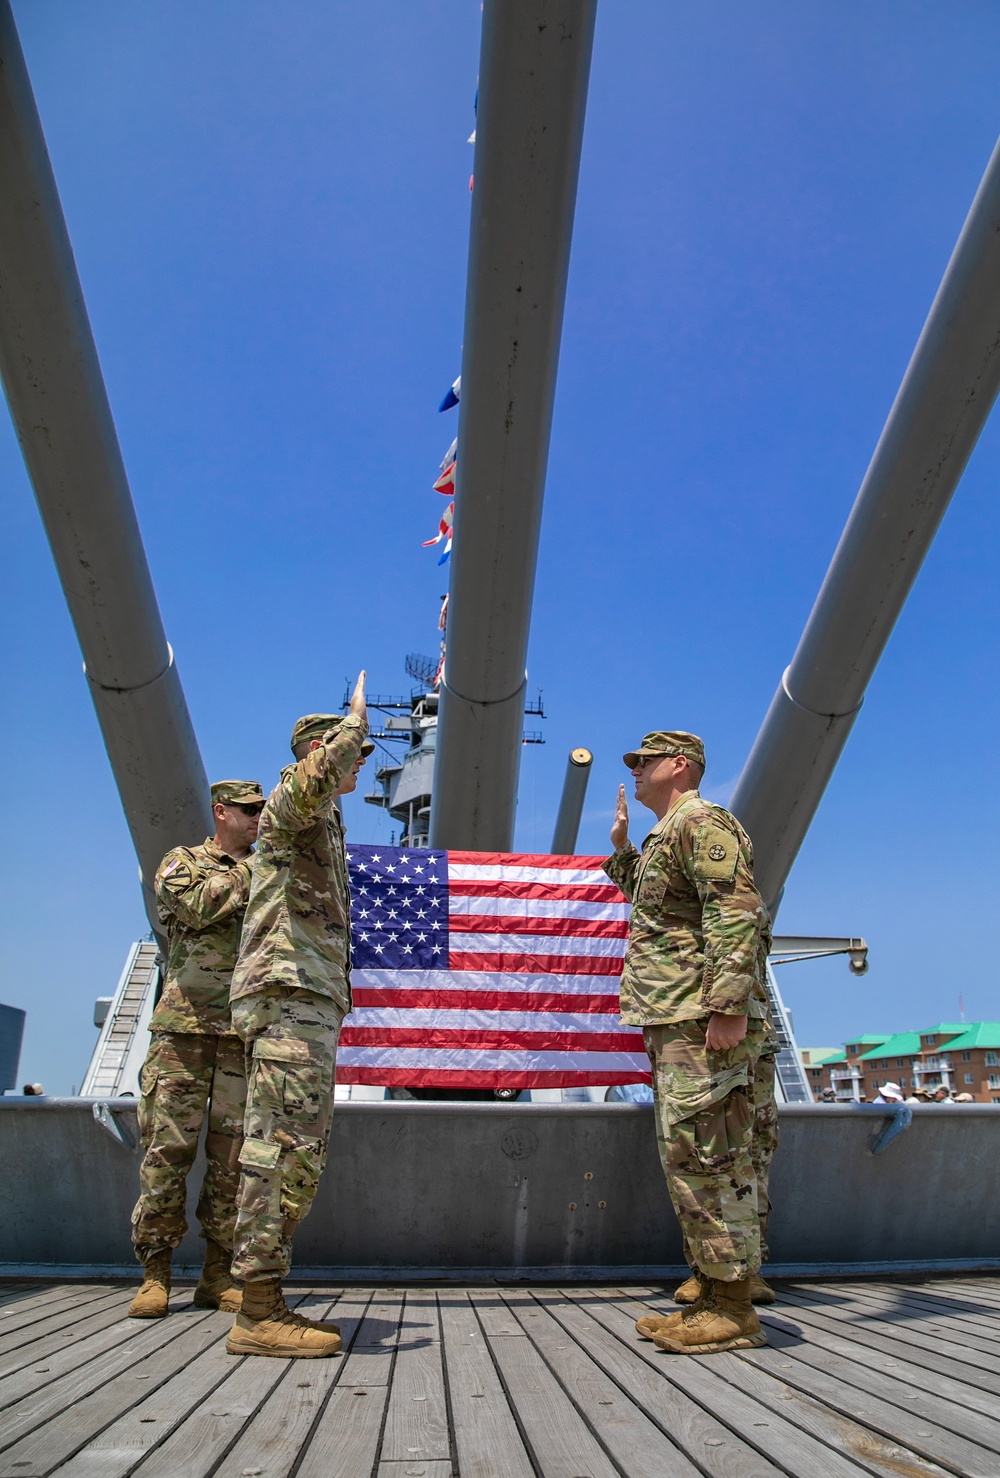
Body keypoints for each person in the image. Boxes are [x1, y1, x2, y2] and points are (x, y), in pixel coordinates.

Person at [604, 731, 774, 1356]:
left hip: (700, 1017)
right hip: (675, 1015)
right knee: (688, 1150)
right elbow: (660, 910)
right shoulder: (665, 835)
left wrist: (726, 1004)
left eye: (644, 763)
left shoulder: (703, 822)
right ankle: (711, 1288)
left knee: (709, 1153)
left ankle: (733, 1306)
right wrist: (622, 851)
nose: (636, 773)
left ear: (678, 766)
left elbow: (734, 910)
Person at [225, 673, 372, 1359]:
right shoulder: (294, 799)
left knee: (296, 1148)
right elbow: (314, 779)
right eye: (353, 753)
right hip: (288, 992)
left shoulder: (323, 819)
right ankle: (257, 1310)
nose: (362, 762)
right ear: (322, 748)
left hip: (304, 996)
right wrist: (354, 723)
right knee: (280, 1149)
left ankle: (264, 1298)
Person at [129, 780, 266, 1319]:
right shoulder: (182, 863)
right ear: (221, 811)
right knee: (168, 1150)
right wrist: (261, 869)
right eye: (249, 811)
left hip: (241, 1032)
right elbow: (197, 907)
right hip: (183, 1031)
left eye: (262, 812)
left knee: (233, 1159)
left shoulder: (268, 867)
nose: (258, 820)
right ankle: (155, 1272)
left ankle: (217, 1275)